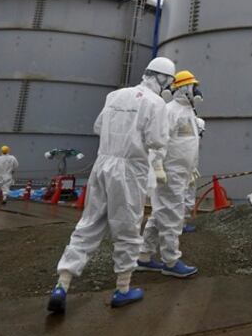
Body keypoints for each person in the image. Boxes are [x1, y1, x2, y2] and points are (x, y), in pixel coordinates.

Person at [47, 57, 172, 313]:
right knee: (127, 229)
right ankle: (123, 289)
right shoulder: (156, 103)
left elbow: (98, 126)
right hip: (129, 170)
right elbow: (157, 140)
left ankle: (62, 284)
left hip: (102, 165)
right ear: (162, 79)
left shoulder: (115, 95)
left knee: (88, 224)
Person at [138, 70, 202, 278]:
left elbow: (188, 144)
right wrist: (157, 167)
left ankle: (144, 256)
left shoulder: (189, 113)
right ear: (183, 88)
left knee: (159, 215)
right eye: (193, 86)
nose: (197, 90)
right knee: (173, 216)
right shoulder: (170, 111)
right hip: (169, 174)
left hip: (180, 173)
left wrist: (191, 169)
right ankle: (171, 261)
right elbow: (159, 141)